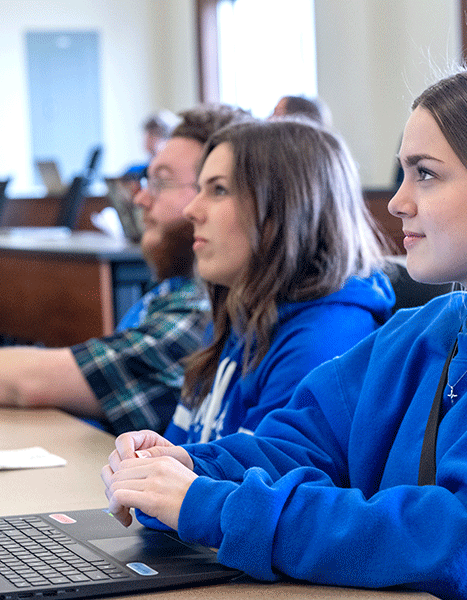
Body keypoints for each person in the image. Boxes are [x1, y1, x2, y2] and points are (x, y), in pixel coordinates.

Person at [102, 65, 467, 599]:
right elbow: (298, 445)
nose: (398, 202)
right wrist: (182, 469)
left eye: (426, 175)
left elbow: (462, 544)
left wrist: (209, 506)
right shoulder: (422, 332)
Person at [0, 104, 251, 435]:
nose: (140, 198)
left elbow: (32, 382)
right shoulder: (171, 293)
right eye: (146, 180)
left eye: (161, 181)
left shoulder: (202, 311)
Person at [160, 117, 394, 445]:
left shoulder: (323, 340)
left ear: (284, 208)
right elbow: (173, 457)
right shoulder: (238, 315)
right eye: (200, 189)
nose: (192, 210)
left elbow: (258, 487)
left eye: (219, 190)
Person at [122, 109, 179, 182]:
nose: (149, 139)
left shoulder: (175, 172)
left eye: (155, 134)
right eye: (148, 134)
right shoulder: (133, 171)